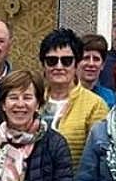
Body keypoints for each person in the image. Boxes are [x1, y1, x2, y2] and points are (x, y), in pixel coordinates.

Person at [38, 28, 109, 168]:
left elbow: (99, 159)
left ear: (76, 64)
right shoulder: (34, 101)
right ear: (43, 65)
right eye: (52, 61)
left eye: (66, 61)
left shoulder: (95, 105)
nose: (59, 66)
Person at [78, 34, 116, 107]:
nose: (91, 64)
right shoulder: (66, 94)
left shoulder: (111, 98)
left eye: (96, 59)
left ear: (102, 65)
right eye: (86, 58)